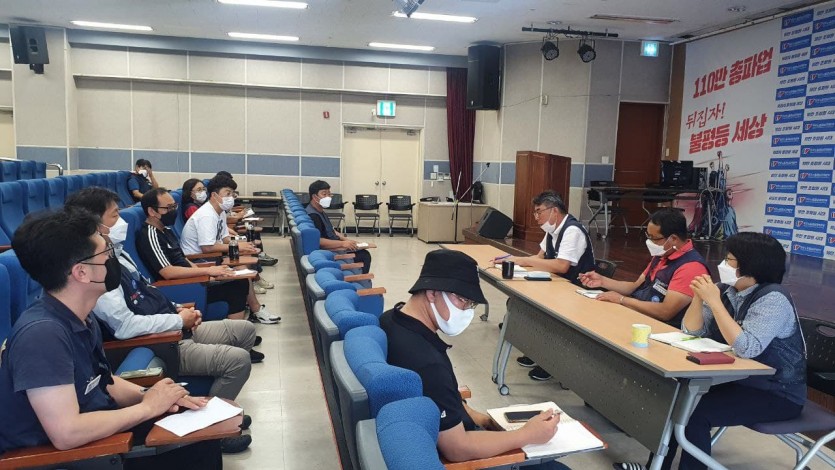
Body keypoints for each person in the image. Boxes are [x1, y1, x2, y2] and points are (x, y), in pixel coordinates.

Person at [0, 209, 221, 468]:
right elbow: (66, 433)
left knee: (200, 433)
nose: (112, 259)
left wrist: (152, 395)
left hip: (95, 429)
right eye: (106, 253)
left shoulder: (81, 316)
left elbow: (103, 382)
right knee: (195, 451)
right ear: (82, 272)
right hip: (63, 458)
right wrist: (147, 408)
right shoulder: (42, 335)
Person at [64, 187, 258, 453]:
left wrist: (180, 310)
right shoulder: (96, 272)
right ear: (95, 224)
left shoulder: (117, 255)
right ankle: (213, 431)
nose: (121, 222)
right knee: (238, 360)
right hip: (158, 341)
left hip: (169, 324)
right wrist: (177, 322)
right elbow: (124, 327)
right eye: (115, 215)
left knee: (244, 330)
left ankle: (217, 410)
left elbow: (149, 291)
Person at [616, 232, 806, 470]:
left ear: (750, 265)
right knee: (675, 400)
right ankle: (655, 467)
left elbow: (747, 347)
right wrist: (698, 298)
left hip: (777, 392)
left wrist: (714, 302)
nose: (723, 264)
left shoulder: (773, 298)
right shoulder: (725, 289)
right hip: (737, 380)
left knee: (696, 413)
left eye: (730, 259)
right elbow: (691, 331)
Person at [380, 249, 568, 469]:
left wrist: (485, 421)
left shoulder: (391, 319)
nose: (467, 311)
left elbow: (444, 400)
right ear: (432, 293)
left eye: (471, 304)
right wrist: (527, 434)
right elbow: (457, 449)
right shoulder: (428, 364)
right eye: (463, 300)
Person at [490, 190, 596, 381]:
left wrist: (522, 261)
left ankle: (551, 363)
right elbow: (539, 257)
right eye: (535, 213)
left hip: (577, 289)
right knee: (528, 302)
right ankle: (538, 353)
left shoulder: (572, 230)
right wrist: (513, 260)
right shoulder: (551, 231)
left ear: (554, 210)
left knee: (545, 311)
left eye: (539, 212)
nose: (536, 217)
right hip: (558, 285)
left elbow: (562, 266)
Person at [136, 188, 280, 324]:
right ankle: (237, 333)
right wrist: (207, 271)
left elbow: (182, 259)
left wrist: (208, 274)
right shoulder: (150, 235)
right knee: (235, 288)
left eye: (175, 206)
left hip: (192, 279)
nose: (173, 211)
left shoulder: (165, 230)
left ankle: (240, 331)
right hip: (178, 288)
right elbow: (168, 272)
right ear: (152, 211)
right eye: (168, 208)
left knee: (239, 280)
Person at [579, 208, 709, 327]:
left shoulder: (691, 268)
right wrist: (602, 281)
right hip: (639, 316)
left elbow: (665, 312)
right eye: (648, 236)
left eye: (654, 238)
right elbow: (635, 286)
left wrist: (622, 300)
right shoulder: (662, 254)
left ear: (673, 238)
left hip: (662, 328)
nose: (649, 242)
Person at [307, 180, 372, 274]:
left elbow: (331, 230)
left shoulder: (320, 211)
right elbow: (319, 241)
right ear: (314, 197)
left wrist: (346, 240)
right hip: (331, 250)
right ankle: (358, 280)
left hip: (335, 244)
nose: (328, 197)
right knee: (364, 255)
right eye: (324, 194)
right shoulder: (313, 216)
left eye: (329, 194)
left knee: (361, 250)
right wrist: (342, 244)